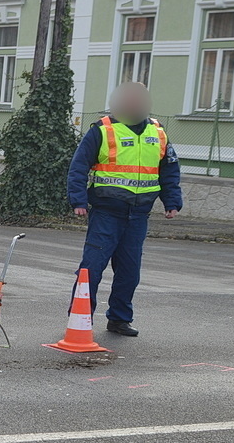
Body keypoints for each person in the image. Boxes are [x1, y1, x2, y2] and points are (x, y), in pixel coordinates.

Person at [67, 82, 183, 337]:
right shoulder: (103, 130)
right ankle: (80, 318)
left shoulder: (158, 131)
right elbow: (79, 166)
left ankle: (119, 319)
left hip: (138, 214)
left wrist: (172, 202)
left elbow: (169, 169)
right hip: (107, 212)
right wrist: (77, 201)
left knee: (129, 272)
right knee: (92, 268)